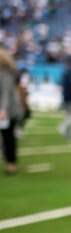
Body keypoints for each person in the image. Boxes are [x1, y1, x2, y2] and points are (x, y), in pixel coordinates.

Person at [0, 47, 24, 175]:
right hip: (4, 110)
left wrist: (3, 110)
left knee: (8, 137)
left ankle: (11, 163)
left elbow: (6, 93)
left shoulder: (5, 73)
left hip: (8, 111)